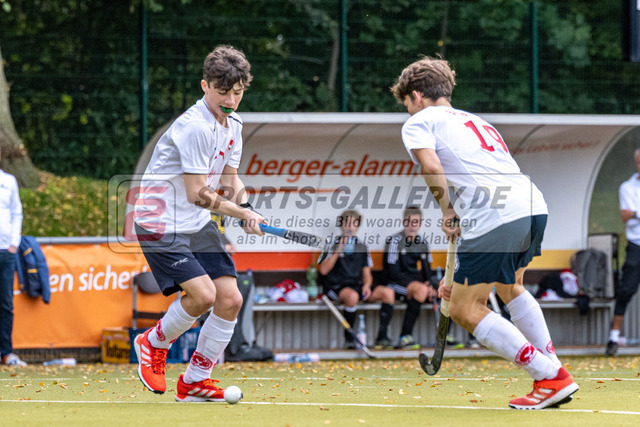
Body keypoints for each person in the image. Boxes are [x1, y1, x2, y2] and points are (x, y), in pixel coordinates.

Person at [391, 56, 578, 410]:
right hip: (531, 206)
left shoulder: (419, 121)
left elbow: (431, 165)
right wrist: (461, 275)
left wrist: (447, 210)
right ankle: (553, 368)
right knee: (510, 287)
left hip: (496, 215)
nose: (408, 111)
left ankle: (550, 376)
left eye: (407, 105)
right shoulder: (476, 121)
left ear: (415, 95)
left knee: (463, 308)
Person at [132, 45, 266, 402]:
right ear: (205, 85)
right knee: (204, 295)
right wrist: (241, 214)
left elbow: (230, 179)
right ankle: (153, 342)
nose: (230, 101)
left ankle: (195, 380)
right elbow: (197, 192)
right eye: (223, 92)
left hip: (196, 222)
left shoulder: (234, 124)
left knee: (230, 299)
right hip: (160, 222)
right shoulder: (194, 128)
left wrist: (247, 206)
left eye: (237, 92)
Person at [318, 210, 395, 349]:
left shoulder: (362, 246)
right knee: (352, 297)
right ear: (341, 225)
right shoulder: (332, 244)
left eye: (354, 223)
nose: (350, 226)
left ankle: (382, 337)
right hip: (336, 287)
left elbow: (367, 274)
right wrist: (339, 249)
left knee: (388, 293)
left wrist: (367, 285)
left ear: (358, 226)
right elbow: (323, 270)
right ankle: (350, 339)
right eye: (347, 222)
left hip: (356, 285)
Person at [381, 206, 438, 349]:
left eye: (416, 222)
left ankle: (444, 337)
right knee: (421, 290)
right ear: (404, 222)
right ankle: (404, 336)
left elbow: (427, 270)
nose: (412, 226)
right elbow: (393, 273)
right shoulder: (394, 241)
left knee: (442, 291)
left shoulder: (423, 243)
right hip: (394, 284)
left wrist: (431, 285)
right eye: (409, 222)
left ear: (420, 224)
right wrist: (420, 286)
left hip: (415, 284)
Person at [606, 148, 640, 356]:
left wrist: (635, 212)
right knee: (626, 291)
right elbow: (625, 216)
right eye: (639, 163)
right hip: (636, 244)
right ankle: (613, 339)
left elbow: (631, 213)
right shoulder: (627, 187)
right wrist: (632, 214)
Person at [0, 148, 26, 366]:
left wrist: (13, 244)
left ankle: (6, 353)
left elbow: (17, 212)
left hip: (6, 252)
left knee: (6, 303)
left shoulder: (8, 181)